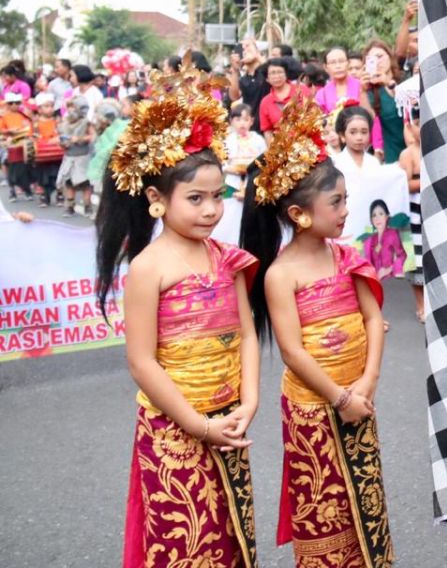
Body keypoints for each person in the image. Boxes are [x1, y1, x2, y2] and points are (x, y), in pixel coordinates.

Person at [94, 71, 259, 568]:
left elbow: (248, 335)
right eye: (196, 198)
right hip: (174, 430)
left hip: (229, 419)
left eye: (218, 196)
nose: (211, 209)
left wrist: (248, 402)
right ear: (156, 200)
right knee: (185, 543)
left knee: (231, 538)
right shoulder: (148, 268)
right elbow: (142, 362)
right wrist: (196, 425)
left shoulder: (226, 258)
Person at [239, 97, 394, 567]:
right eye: (337, 202)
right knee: (323, 506)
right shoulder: (279, 276)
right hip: (313, 411)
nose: (347, 210)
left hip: (358, 400)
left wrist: (365, 385)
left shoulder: (348, 256)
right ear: (299, 213)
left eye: (346, 199)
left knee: (367, 506)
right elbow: (292, 351)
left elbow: (372, 319)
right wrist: (341, 398)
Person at [398, 102, 425, 323]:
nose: (421, 128)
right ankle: (421, 305)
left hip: (434, 208)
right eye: (417, 124)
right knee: (416, 260)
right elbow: (403, 185)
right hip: (415, 212)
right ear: (410, 126)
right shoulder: (408, 154)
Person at [363, 40, 405, 163]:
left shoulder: (405, 79)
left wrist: (388, 83)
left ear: (390, 57)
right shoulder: (371, 92)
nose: (377, 62)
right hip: (392, 156)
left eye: (380, 56)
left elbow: (412, 106)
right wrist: (362, 91)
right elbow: (368, 120)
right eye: (371, 59)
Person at [58, 96, 95, 216]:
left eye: (73, 107)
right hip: (69, 156)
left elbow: (92, 137)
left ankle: (87, 206)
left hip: (83, 157)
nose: (70, 110)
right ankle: (70, 207)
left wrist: (79, 139)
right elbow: (61, 138)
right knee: (69, 183)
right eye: (69, 107)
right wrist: (63, 143)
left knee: (85, 184)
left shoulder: (86, 122)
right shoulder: (65, 123)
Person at [223, 104, 266, 199]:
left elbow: (264, 160)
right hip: (232, 181)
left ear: (252, 121)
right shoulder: (228, 140)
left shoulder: (258, 139)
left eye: (246, 120)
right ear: (231, 121)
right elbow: (222, 162)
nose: (242, 123)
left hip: (252, 181)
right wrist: (230, 169)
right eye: (238, 120)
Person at [257, 57, 302, 144]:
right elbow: (268, 132)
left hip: (307, 148)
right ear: (267, 78)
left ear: (286, 74)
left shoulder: (301, 91)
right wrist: (273, 154)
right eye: (272, 73)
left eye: (280, 72)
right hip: (283, 149)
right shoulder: (265, 102)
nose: (277, 76)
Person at [30, 92, 63, 207]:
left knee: (57, 174)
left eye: (51, 106)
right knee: (42, 175)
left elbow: (62, 134)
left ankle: (60, 194)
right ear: (39, 109)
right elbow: (32, 137)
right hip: (42, 154)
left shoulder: (57, 122)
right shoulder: (35, 124)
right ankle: (45, 196)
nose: (50, 109)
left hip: (56, 153)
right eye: (46, 106)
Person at [331, 105, 379, 182]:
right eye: (353, 132)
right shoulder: (335, 163)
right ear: (342, 135)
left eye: (364, 132)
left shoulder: (373, 162)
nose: (359, 137)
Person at [229, 38, 269, 129]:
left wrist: (257, 55)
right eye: (242, 48)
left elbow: (271, 71)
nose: (245, 50)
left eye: (248, 46)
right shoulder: (243, 79)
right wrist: (235, 70)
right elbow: (234, 96)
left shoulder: (265, 72)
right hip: (250, 126)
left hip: (267, 124)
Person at [1, 91, 33, 201]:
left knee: (24, 169)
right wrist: (9, 131)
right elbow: (1, 130)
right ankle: (12, 191)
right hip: (9, 146)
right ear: (8, 104)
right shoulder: (4, 117)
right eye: (11, 103)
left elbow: (30, 128)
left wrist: (23, 131)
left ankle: (27, 190)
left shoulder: (23, 116)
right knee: (11, 169)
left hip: (22, 146)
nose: (14, 105)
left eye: (17, 103)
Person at [363, 199, 405, 280]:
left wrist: (388, 270)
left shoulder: (392, 234)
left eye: (381, 214)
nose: (377, 218)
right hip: (375, 284)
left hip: (391, 281)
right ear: (371, 220)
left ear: (387, 216)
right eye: (374, 215)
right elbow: (367, 266)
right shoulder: (369, 242)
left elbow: (402, 255)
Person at [315, 47, 363, 115]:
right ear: (326, 67)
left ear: (348, 63)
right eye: (333, 62)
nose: (338, 66)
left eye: (341, 61)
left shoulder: (363, 86)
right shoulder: (321, 95)